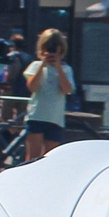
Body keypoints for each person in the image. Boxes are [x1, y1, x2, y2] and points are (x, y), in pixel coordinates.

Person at [23, 28, 74, 162]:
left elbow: (67, 89)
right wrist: (43, 66)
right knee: (32, 159)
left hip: (55, 119)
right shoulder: (35, 66)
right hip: (37, 115)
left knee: (50, 159)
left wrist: (58, 67)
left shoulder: (67, 69)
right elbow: (32, 87)